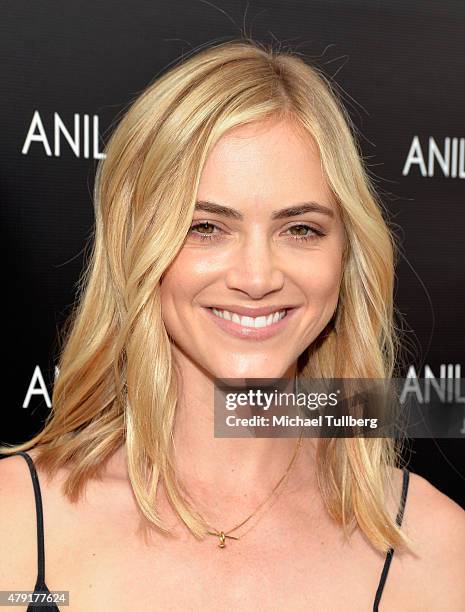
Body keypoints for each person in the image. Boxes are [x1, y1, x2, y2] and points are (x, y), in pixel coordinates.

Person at [1, 38, 464, 611]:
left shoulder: (436, 551)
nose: (256, 276)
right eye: (206, 227)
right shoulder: (15, 523)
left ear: (346, 257)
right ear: (135, 246)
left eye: (301, 229)